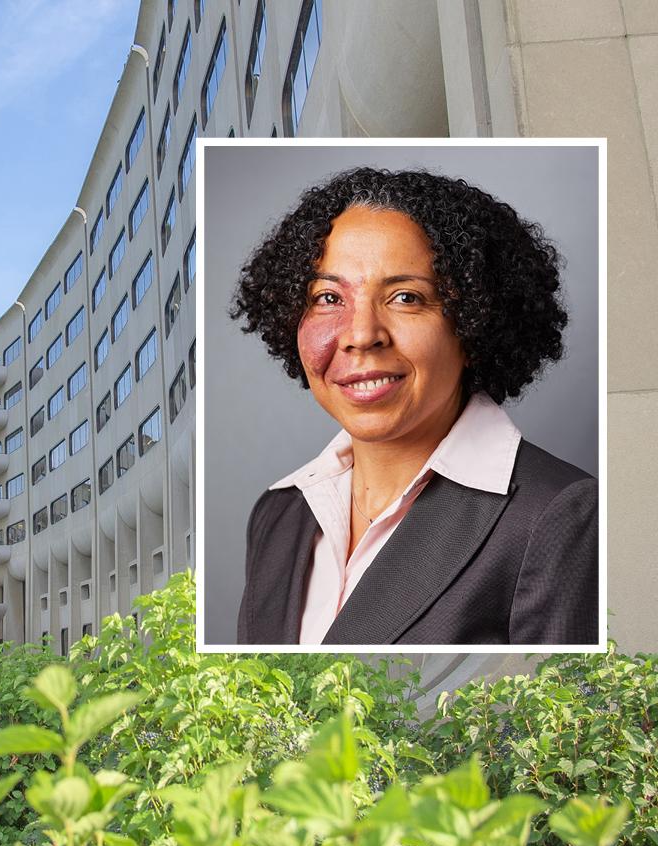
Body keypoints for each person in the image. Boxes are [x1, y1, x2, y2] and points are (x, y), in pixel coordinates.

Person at [230, 167, 597, 645]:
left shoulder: (558, 514)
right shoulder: (278, 515)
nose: (362, 334)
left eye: (406, 297)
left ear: (472, 324)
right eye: (326, 297)